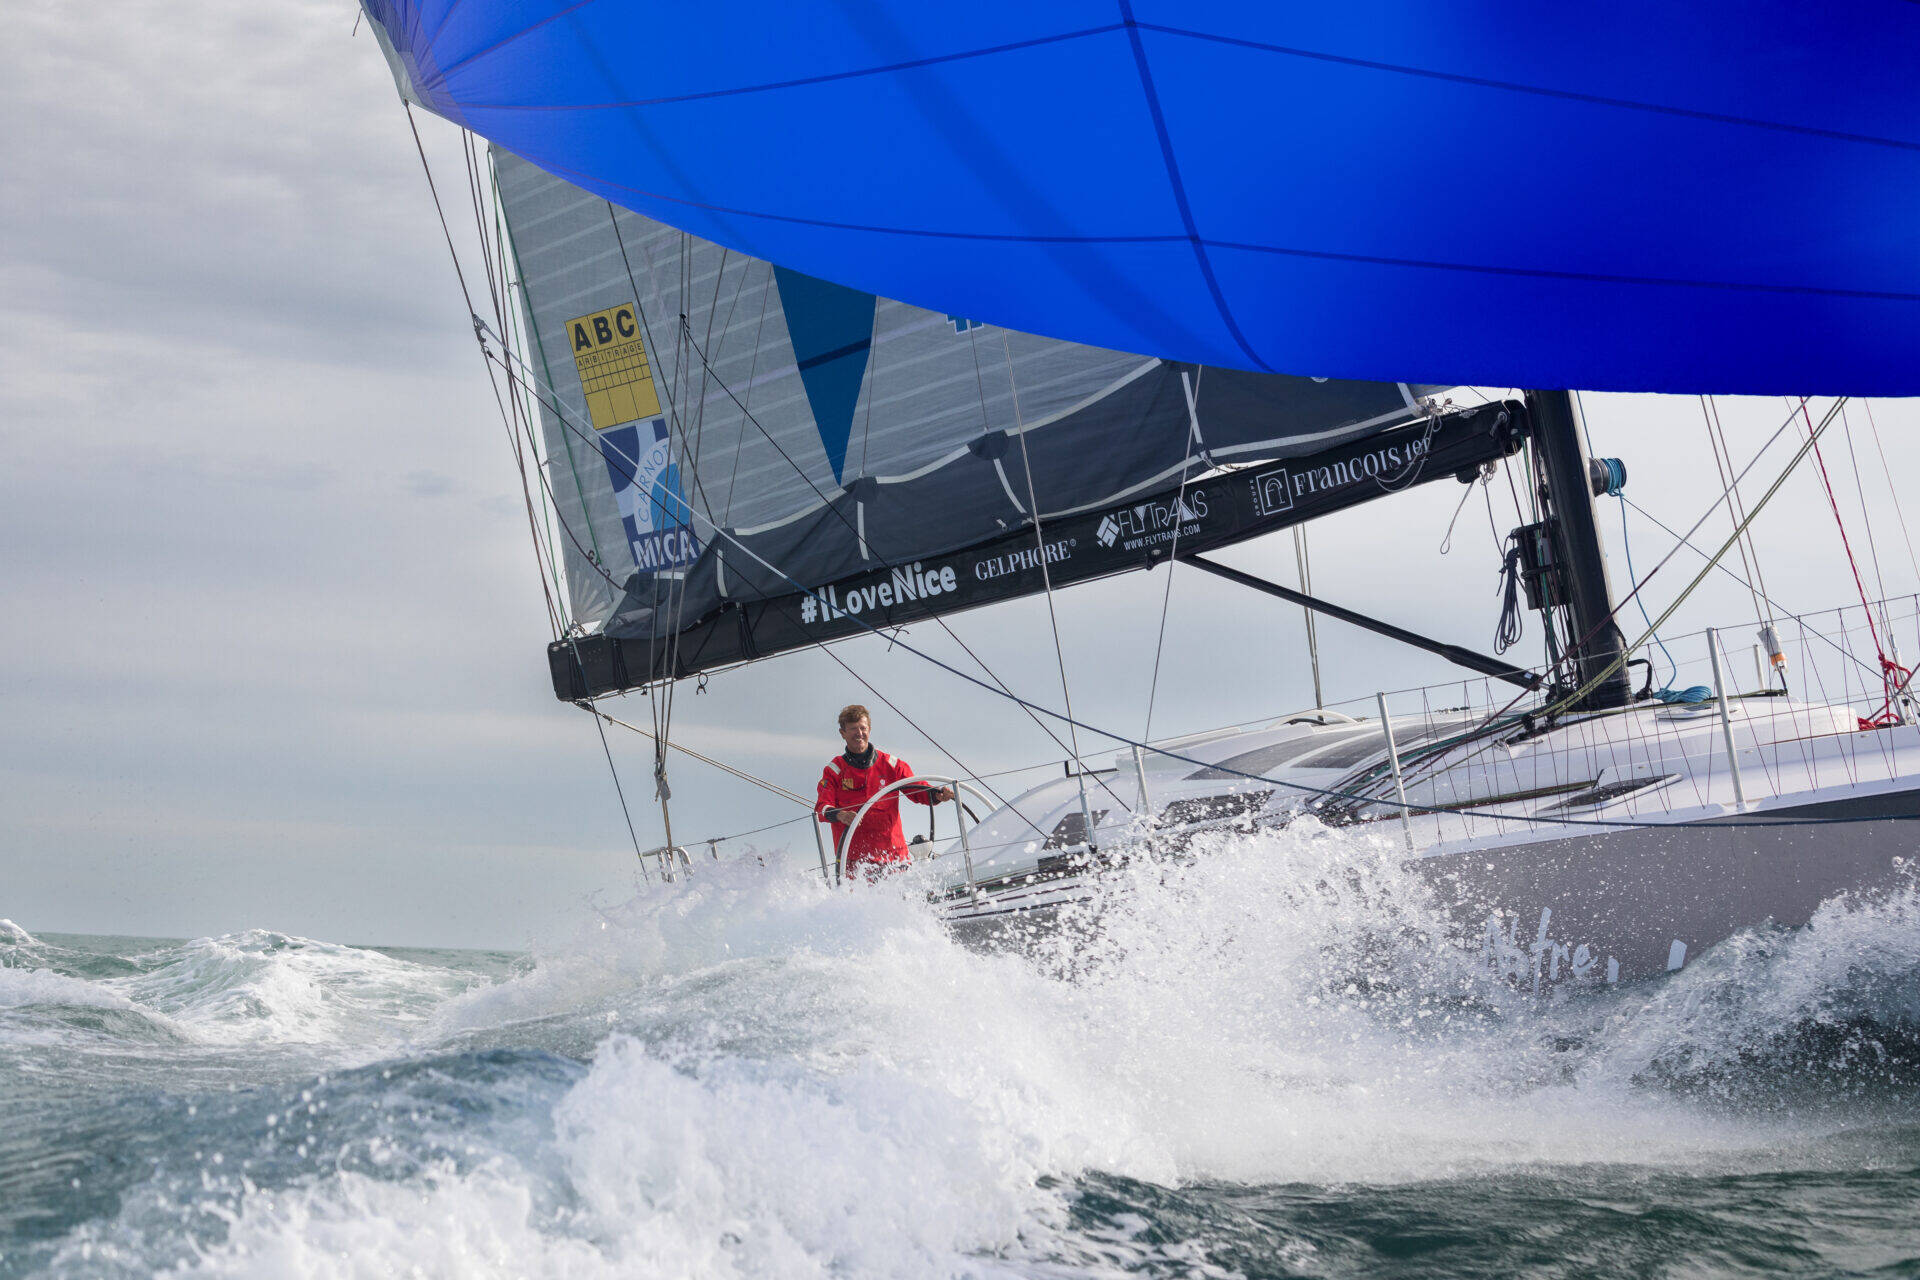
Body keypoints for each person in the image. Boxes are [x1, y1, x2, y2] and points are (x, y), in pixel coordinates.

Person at [816, 704, 952, 877]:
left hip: (894, 859)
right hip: (855, 864)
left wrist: (937, 794)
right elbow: (822, 808)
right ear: (843, 733)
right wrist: (841, 815)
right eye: (853, 729)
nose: (859, 733)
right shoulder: (834, 770)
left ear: (869, 729)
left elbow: (918, 789)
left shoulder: (891, 765)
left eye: (863, 728)